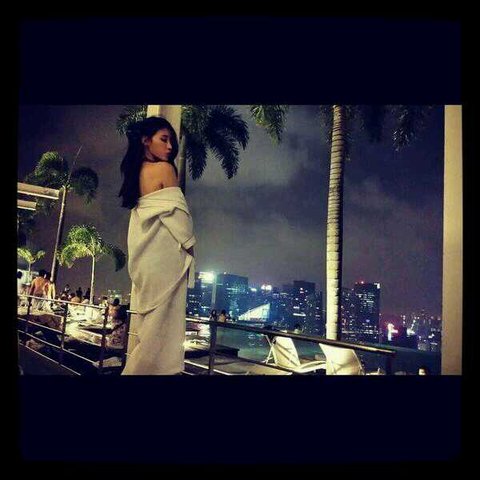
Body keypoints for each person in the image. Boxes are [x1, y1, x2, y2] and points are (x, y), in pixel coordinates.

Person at [119, 116, 196, 375]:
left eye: (171, 141)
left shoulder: (135, 174)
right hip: (165, 263)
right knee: (161, 336)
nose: (170, 147)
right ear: (145, 140)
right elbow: (180, 221)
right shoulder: (164, 169)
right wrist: (191, 247)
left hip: (145, 262)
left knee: (149, 331)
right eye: (164, 139)